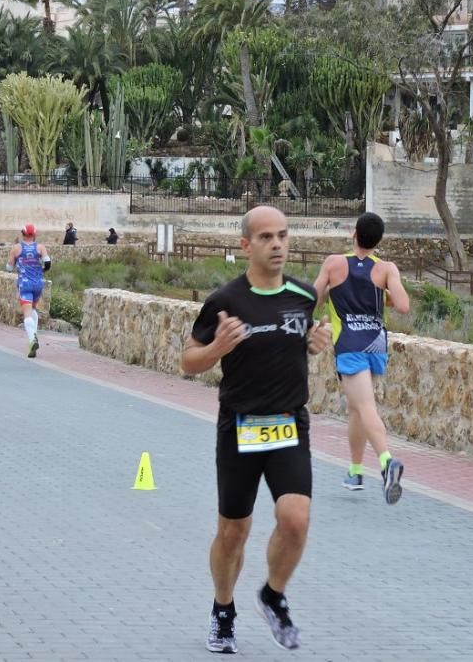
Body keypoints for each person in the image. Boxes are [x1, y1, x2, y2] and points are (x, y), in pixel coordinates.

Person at [181, 206, 331, 654]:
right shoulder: (225, 301)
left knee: (296, 519)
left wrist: (314, 344)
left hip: (289, 424)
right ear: (246, 245)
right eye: (266, 237)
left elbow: (299, 341)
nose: (278, 244)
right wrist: (217, 348)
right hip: (239, 428)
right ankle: (222, 611)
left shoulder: (304, 295)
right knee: (233, 531)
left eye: (283, 235)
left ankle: (273, 594)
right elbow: (188, 361)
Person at [313, 212, 411, 505]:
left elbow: (312, 299)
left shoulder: (333, 264)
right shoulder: (386, 269)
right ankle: (355, 472)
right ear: (378, 240)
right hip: (376, 344)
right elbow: (403, 305)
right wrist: (385, 293)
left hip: (350, 344)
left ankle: (386, 463)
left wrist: (329, 293)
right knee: (357, 408)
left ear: (354, 234)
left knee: (365, 407)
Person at [7, 223, 50, 358]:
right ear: (34, 234)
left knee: (27, 313)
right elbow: (48, 263)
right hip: (38, 283)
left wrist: (16, 265)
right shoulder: (40, 247)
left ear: (23, 234)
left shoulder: (16, 248)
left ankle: (32, 340)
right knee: (32, 309)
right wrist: (40, 271)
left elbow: (9, 268)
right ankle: (34, 335)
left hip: (24, 283)